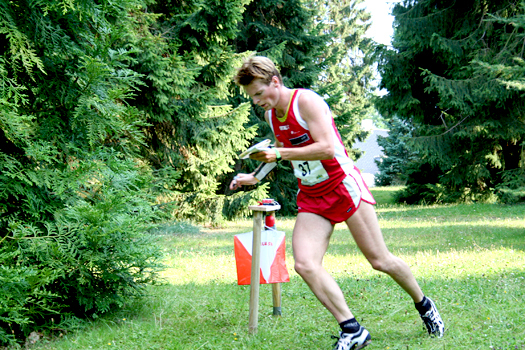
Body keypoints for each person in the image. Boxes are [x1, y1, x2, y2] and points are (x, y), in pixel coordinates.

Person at [229, 56, 444, 350]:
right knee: (305, 263)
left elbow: (328, 148)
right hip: (313, 195)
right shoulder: (271, 116)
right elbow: (281, 152)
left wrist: (279, 155)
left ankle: (424, 305)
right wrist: (253, 176)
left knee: (380, 260)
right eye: (252, 97)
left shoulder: (307, 102)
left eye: (258, 93)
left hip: (343, 186)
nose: (256, 102)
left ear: (275, 82)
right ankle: (352, 329)